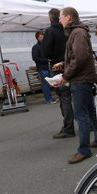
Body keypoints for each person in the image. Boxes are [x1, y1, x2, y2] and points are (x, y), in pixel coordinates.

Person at [56, 7, 97, 164]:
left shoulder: (77, 32)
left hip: (80, 79)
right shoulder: (78, 32)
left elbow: (80, 58)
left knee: (81, 115)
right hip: (83, 78)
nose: (59, 20)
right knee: (89, 112)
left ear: (68, 17)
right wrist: (64, 64)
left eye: (60, 17)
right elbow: (79, 56)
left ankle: (84, 150)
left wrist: (66, 75)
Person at [42, 8, 75, 139]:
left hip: (58, 67)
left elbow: (45, 53)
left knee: (64, 97)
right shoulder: (69, 30)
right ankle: (89, 124)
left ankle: (68, 128)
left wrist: (53, 57)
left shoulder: (50, 31)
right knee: (77, 95)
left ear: (51, 19)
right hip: (72, 65)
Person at [31, 31, 55, 104]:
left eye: (43, 37)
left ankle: (54, 97)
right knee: (45, 84)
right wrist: (46, 60)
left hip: (50, 67)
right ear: (37, 38)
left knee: (54, 82)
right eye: (41, 37)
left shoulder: (47, 45)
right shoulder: (35, 47)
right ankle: (49, 99)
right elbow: (35, 58)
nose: (43, 38)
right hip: (42, 68)